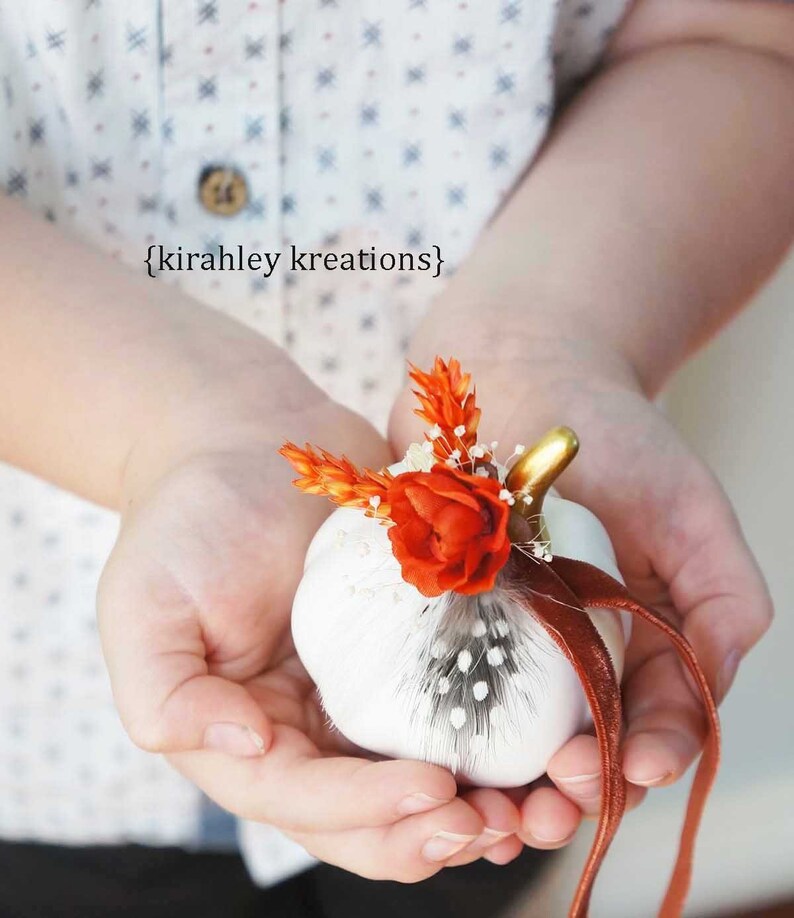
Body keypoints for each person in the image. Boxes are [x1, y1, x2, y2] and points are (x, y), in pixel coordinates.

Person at [0, 0, 792, 915]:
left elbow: (742, 36)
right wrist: (166, 428)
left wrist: (553, 336)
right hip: (40, 745)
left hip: (483, 830)